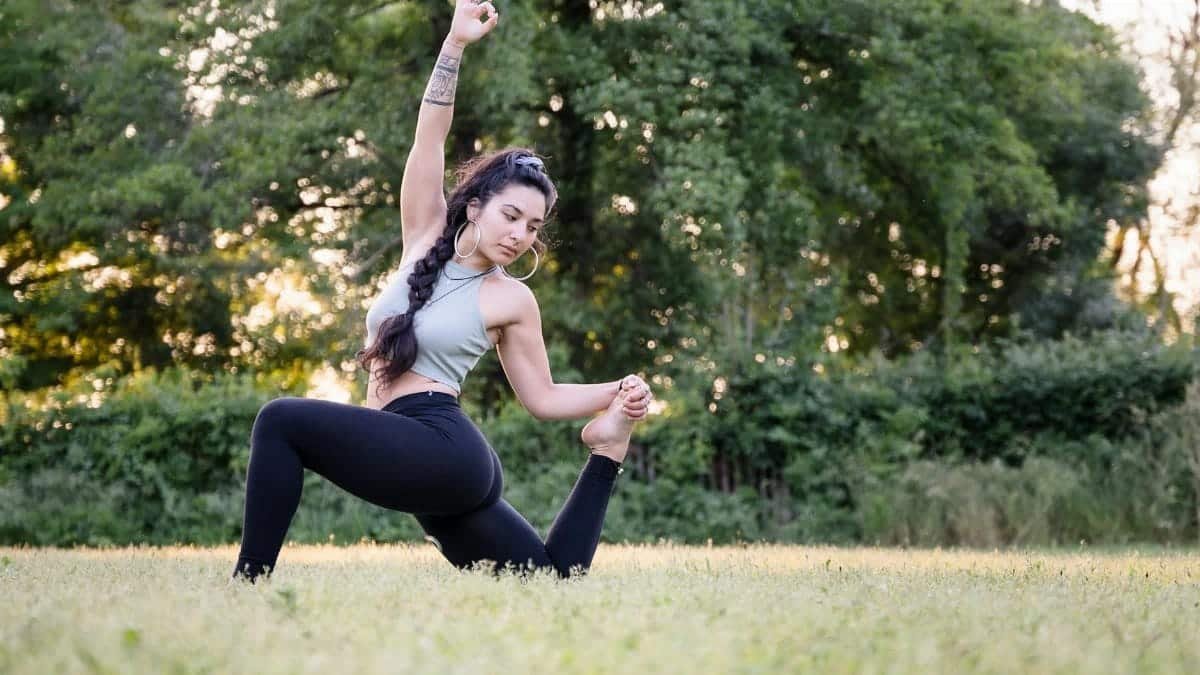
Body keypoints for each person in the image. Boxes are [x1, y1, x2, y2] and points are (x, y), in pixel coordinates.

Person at [231, 0, 653, 582]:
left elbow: (544, 398)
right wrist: (454, 45)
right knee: (548, 580)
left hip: (443, 449)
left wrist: (617, 391)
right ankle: (607, 451)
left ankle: (248, 582)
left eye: (533, 227)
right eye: (511, 216)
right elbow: (429, 135)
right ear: (475, 205)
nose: (520, 235)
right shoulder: (422, 235)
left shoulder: (511, 299)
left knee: (280, 421)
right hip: (422, 458)